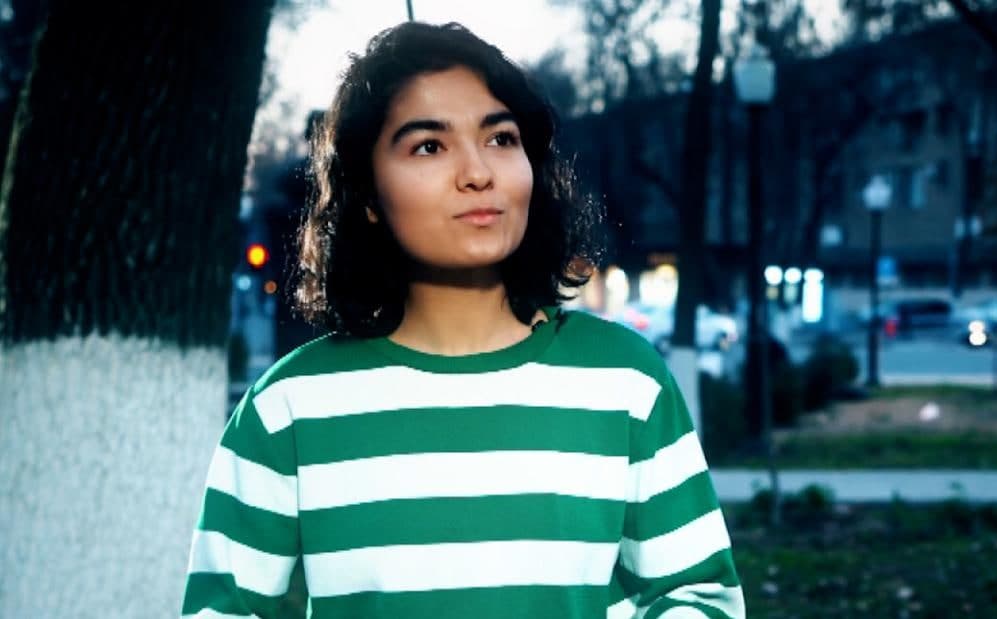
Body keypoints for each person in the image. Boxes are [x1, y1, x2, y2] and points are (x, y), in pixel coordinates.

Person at [181, 21, 744, 619]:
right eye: (429, 146)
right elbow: (221, 610)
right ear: (367, 195)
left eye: (501, 138)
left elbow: (699, 596)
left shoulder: (625, 380)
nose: (478, 172)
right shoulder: (288, 407)